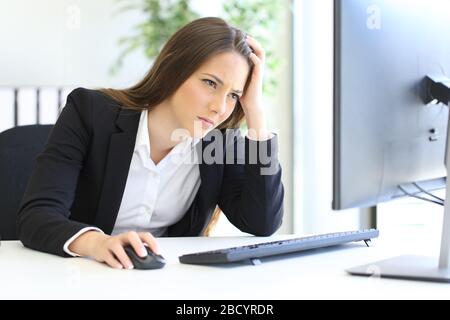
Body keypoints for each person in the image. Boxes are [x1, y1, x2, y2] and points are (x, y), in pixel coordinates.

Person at [17, 17, 284, 269]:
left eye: (234, 95)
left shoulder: (220, 143)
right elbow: (37, 216)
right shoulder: (89, 112)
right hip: (76, 274)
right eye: (210, 83)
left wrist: (256, 115)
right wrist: (98, 243)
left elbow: (262, 222)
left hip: (161, 281)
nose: (220, 107)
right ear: (173, 70)